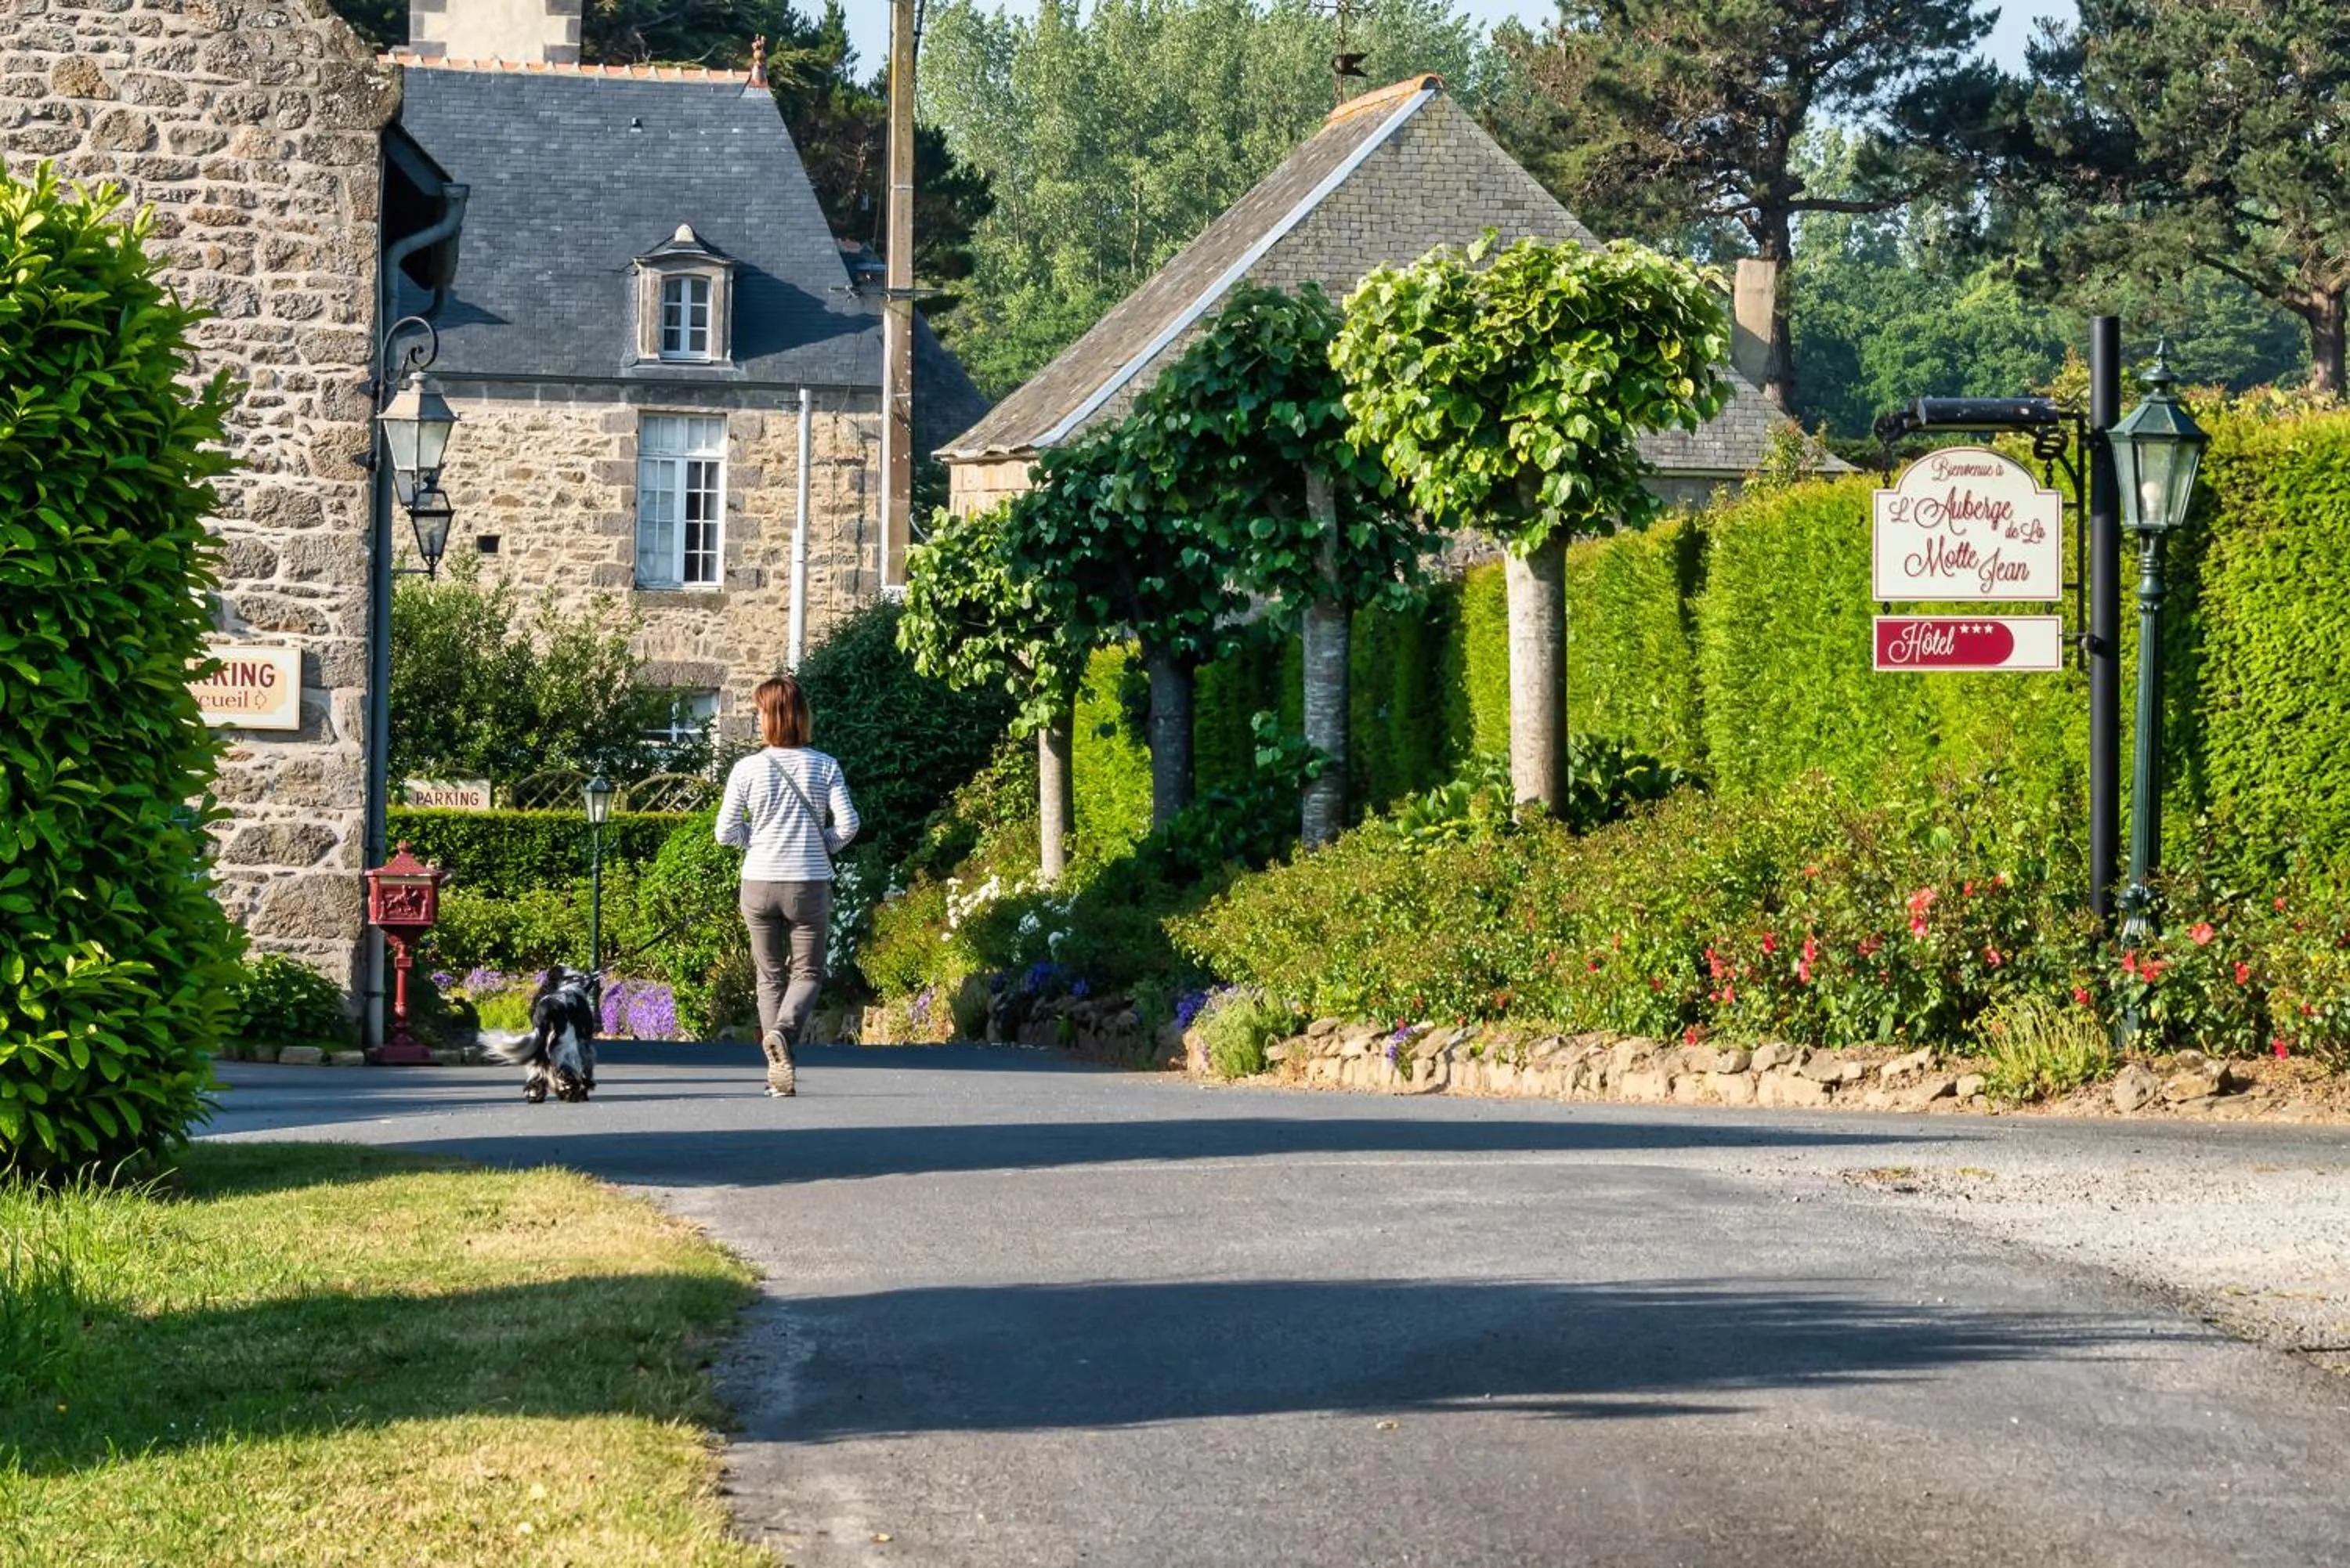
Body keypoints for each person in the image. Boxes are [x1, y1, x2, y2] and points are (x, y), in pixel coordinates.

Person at [714, 675, 859, 1097]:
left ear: (769, 717)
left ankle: (776, 1068)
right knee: (808, 972)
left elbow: (725, 833)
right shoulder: (825, 765)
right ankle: (784, 1035)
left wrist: (755, 843)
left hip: (758, 881)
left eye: (759, 711)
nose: (757, 718)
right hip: (809, 882)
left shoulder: (746, 769)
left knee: (769, 976)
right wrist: (822, 845)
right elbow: (849, 824)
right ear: (800, 716)